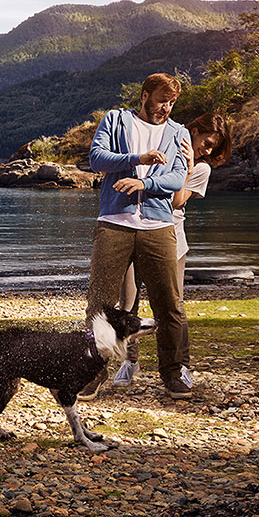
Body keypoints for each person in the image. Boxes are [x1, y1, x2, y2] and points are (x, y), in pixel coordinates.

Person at [78, 73, 192, 400]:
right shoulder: (115, 120)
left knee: (169, 304)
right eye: (160, 101)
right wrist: (136, 160)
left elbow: (176, 177)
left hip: (158, 227)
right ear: (144, 96)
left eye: (171, 103)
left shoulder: (178, 133)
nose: (165, 108)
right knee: (100, 304)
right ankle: (92, 372)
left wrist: (146, 184)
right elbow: (96, 158)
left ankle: (174, 373)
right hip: (114, 223)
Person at [111, 113, 234, 389]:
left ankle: (181, 366)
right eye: (207, 142)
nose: (208, 149)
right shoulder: (163, 145)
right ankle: (130, 361)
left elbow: (177, 201)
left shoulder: (202, 168)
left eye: (213, 147)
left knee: (172, 307)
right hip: (133, 231)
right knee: (127, 302)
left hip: (172, 239)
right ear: (195, 129)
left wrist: (189, 167)